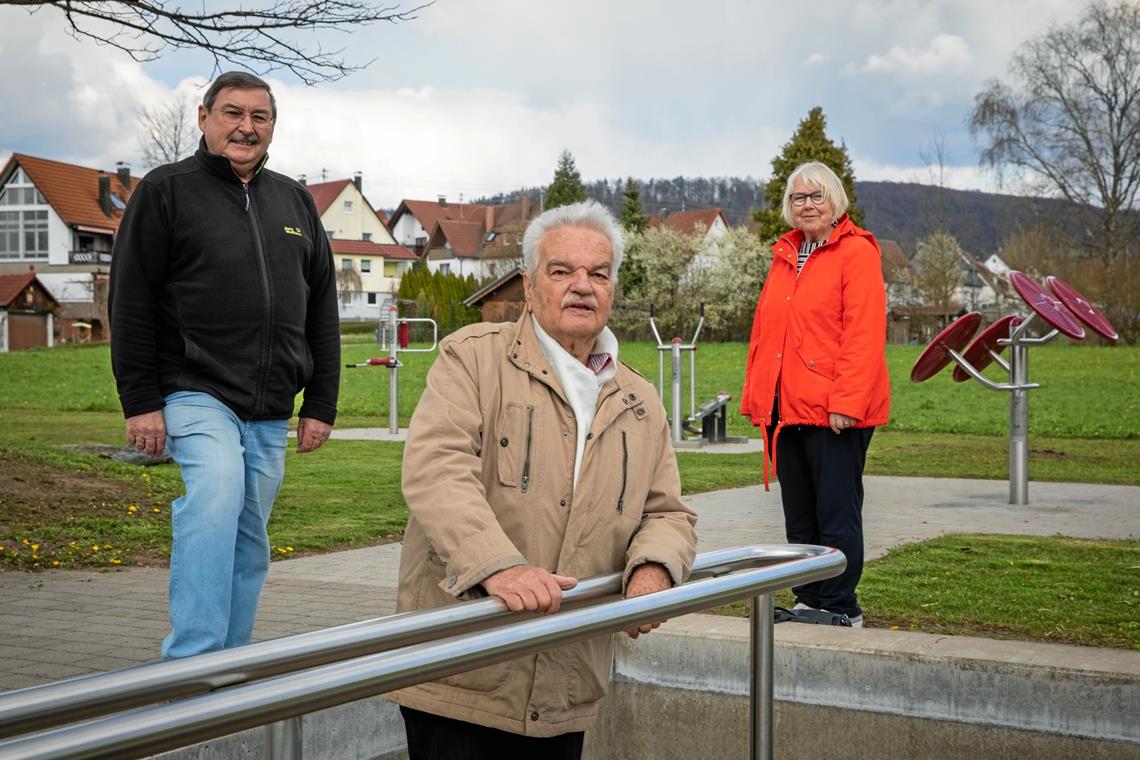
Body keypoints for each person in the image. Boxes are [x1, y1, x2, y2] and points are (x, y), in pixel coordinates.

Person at [389, 201, 698, 759]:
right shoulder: (472, 358)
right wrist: (497, 565)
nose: (582, 286)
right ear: (530, 286)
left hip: (566, 680)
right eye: (562, 272)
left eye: (598, 274)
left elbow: (667, 511)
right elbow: (437, 470)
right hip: (463, 670)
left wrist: (654, 567)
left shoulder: (639, 398)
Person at [108, 71, 340, 659]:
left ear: (272, 127)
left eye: (259, 117)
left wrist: (320, 404)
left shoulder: (294, 202)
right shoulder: (166, 190)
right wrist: (141, 402)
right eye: (233, 113)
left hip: (268, 407)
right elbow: (129, 301)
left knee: (249, 540)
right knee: (213, 497)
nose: (246, 127)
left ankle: (226, 673)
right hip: (194, 388)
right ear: (204, 117)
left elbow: (322, 309)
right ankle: (189, 668)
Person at [740, 161, 889, 628]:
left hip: (833, 412)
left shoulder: (856, 252)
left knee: (836, 515)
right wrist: (759, 399)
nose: (807, 205)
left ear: (835, 202)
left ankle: (841, 606)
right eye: (798, 198)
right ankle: (809, 600)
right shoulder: (785, 254)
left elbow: (863, 333)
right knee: (799, 517)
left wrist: (847, 402)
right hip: (786, 411)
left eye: (816, 196)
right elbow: (766, 332)